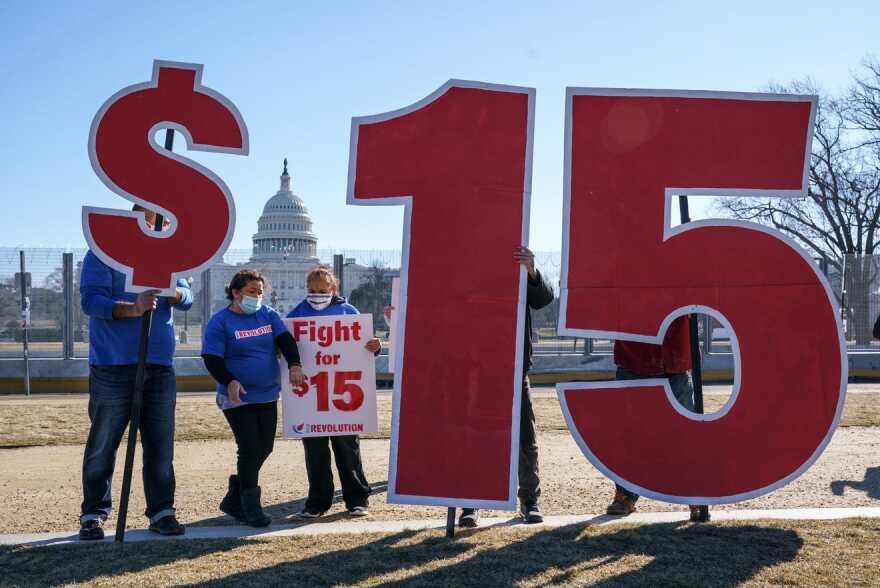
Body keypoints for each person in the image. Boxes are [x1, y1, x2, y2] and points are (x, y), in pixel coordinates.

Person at [78, 205, 192, 540]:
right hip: (113, 365)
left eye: (165, 219)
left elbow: (186, 296)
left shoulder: (170, 252)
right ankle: (93, 514)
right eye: (154, 217)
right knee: (103, 444)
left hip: (158, 364)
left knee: (160, 445)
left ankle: (162, 511)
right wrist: (133, 308)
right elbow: (90, 301)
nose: (161, 223)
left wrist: (172, 290)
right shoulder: (102, 252)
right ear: (135, 217)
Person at [458, 246, 555, 528]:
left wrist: (531, 271)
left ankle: (530, 501)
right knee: (475, 437)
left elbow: (543, 299)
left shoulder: (516, 264)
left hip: (514, 366)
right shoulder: (469, 268)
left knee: (525, 438)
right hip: (476, 367)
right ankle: (471, 503)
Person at [202, 269, 303, 527]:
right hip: (237, 396)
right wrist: (230, 381)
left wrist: (294, 364)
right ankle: (250, 507)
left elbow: (285, 341)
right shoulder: (220, 321)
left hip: (267, 393)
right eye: (251, 291)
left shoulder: (267, 315)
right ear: (235, 293)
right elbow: (212, 358)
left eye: (259, 291)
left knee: (265, 447)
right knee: (249, 448)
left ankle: (235, 495)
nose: (257, 296)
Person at [287, 266, 381, 517]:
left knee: (348, 450)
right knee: (315, 454)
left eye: (322, 290)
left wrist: (375, 346)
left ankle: (357, 499)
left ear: (333, 289)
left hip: (342, 394)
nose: (316, 294)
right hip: (311, 396)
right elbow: (285, 343)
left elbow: (365, 346)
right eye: (312, 290)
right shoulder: (297, 313)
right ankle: (317, 502)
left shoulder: (348, 311)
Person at [606, 318, 708, 522]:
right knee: (629, 435)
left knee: (687, 434)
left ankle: (695, 495)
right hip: (634, 357)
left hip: (674, 359)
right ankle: (625, 494)